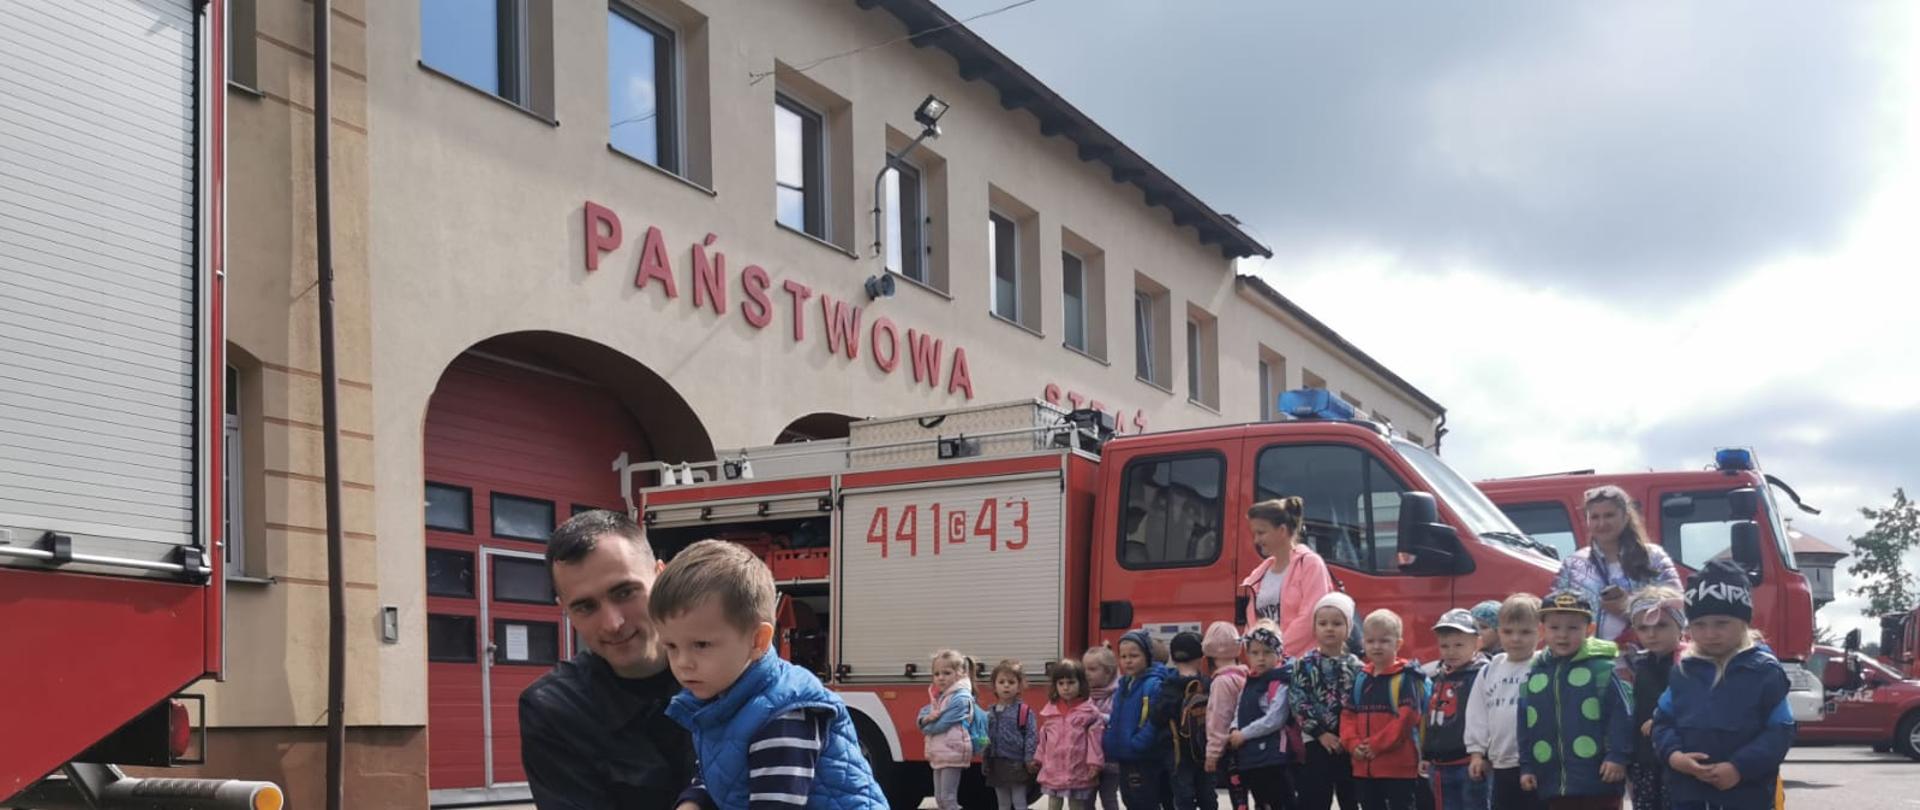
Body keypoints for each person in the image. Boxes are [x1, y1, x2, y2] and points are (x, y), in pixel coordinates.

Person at [649, 540, 887, 810]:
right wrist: (692, 802)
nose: (683, 663)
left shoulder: (781, 718)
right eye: (670, 646)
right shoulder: (723, 700)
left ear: (758, 641)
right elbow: (717, 772)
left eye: (701, 645)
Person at [519, 510, 697, 810]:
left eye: (625, 592)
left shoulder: (733, 675)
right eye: (586, 607)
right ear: (565, 610)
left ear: (662, 576)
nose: (612, 623)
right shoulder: (555, 709)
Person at [1652, 560, 1794, 810]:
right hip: (1688, 795)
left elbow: (1781, 731)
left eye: (1721, 623)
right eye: (1700, 625)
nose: (1710, 634)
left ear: (1743, 622)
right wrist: (1674, 757)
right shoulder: (1683, 671)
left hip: (1747, 796)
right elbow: (1662, 722)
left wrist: (1739, 768)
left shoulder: (1765, 671)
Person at [1516, 591, 1634, 810]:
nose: (1563, 635)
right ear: (1542, 630)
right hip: (1553, 782)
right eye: (1554, 628)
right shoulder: (1535, 674)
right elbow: (1524, 725)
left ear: (1588, 630)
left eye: (1573, 628)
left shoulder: (1601, 670)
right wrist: (1527, 766)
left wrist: (1618, 756)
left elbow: (1621, 716)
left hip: (1599, 779)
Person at [1550, 486, 1682, 643]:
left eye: (1609, 515)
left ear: (1626, 517)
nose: (1602, 523)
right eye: (1594, 517)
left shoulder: (1653, 557)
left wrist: (1629, 607)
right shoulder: (1573, 564)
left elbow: (1679, 608)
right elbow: (1555, 615)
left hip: (1645, 657)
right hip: (1591, 660)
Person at [1465, 594, 1544, 810]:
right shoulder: (1490, 669)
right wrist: (1476, 754)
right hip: (1500, 762)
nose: (1516, 639)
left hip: (1538, 763)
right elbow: (1477, 714)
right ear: (1499, 631)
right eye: (1508, 632)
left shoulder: (1543, 665)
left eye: (1525, 632)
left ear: (1541, 632)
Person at [1342, 609, 1427, 810]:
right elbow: (1348, 715)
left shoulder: (1407, 677)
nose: (1376, 646)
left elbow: (1407, 718)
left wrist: (1375, 745)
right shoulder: (1361, 678)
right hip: (1364, 767)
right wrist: (1353, 744)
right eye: (1371, 641)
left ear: (1398, 644)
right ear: (1363, 643)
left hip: (1399, 767)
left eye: (1384, 641)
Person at [1241, 497, 1337, 659]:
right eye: (1255, 534)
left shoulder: (1310, 564)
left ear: (1282, 530)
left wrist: (1274, 651)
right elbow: (1252, 622)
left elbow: (1310, 618)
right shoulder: (1260, 573)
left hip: (1302, 664)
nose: (1256, 540)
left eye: (1261, 532)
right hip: (1269, 665)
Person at [1293, 593, 1362, 810]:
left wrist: (1350, 737)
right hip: (1316, 741)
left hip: (1349, 743)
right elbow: (1298, 701)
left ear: (1348, 629)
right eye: (1323, 623)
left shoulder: (1357, 666)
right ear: (1314, 628)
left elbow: (1361, 704)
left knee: (1350, 797)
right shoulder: (1304, 664)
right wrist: (1320, 734)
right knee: (1315, 797)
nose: (1329, 628)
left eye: (1337, 623)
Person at [1620, 586, 1687, 810]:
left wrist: (1663, 718)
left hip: (1678, 756)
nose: (1652, 634)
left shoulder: (1689, 663)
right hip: (1643, 758)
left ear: (1679, 625)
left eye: (1661, 625)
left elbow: (1695, 704)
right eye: (1643, 628)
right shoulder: (1637, 664)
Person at [1225, 620, 1296, 809]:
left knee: (1280, 802)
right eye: (1254, 653)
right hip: (1251, 756)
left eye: (1267, 652)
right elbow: (1239, 709)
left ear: (1278, 653)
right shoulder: (1250, 680)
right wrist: (1233, 728)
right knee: (1261, 801)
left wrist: (1244, 733)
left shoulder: (1280, 681)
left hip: (1274, 758)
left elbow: (1275, 718)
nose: (1261, 658)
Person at [1423, 609, 1488, 810]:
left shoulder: (1482, 675)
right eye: (1445, 646)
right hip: (1439, 764)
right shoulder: (1436, 677)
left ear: (1477, 643)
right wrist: (1425, 754)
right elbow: (1428, 718)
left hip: (1469, 761)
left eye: (1459, 645)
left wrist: (1483, 755)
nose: (1451, 651)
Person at [1103, 629, 1173, 810]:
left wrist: (1138, 742)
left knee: (1144, 801)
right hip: (1125, 755)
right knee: (1130, 800)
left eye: (1134, 655)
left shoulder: (1153, 684)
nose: (1127, 660)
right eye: (1123, 656)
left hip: (1143, 757)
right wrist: (1111, 741)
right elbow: (1116, 716)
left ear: (1148, 656)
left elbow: (1154, 720)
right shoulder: (1124, 684)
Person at [1037, 659, 1107, 810]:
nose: (1066, 688)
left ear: (1081, 683)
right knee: (1053, 804)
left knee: (1076, 805)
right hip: (1054, 768)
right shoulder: (1051, 711)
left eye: (1071, 682)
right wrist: (1038, 758)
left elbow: (1095, 740)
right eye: (1061, 683)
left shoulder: (1089, 712)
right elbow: (1044, 738)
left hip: (1078, 768)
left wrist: (1094, 763)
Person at [1159, 631, 1217, 810]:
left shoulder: (1168, 685)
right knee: (1207, 795)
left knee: (1183, 797)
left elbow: (1158, 716)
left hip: (1177, 754)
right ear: (1201, 658)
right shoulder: (1207, 684)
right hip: (1204, 750)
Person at [1202, 621, 1253, 810]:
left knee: (1239, 800)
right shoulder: (1246, 675)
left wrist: (1212, 754)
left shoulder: (1221, 682)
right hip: (1250, 746)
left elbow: (1219, 719)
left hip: (1233, 753)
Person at [919, 649, 979, 810]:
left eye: (946, 673)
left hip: (953, 751)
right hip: (940, 752)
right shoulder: (941, 695)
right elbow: (923, 714)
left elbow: (942, 724)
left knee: (948, 799)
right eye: (936, 673)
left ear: (960, 673)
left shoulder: (961, 698)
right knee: (940, 799)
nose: (940, 677)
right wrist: (924, 720)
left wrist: (925, 726)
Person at [985, 660, 1041, 810]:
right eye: (1001, 682)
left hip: (1017, 764)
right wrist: (985, 760)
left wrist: (1029, 758)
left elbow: (1031, 736)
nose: (1006, 685)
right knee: (1002, 803)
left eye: (1011, 682)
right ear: (994, 686)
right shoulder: (990, 712)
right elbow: (986, 739)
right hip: (997, 764)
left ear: (1019, 686)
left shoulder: (1024, 711)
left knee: (1019, 801)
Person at [1084, 645, 1125, 810]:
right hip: (1086, 758)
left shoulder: (1119, 693)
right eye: (1085, 668)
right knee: (1086, 799)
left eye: (1093, 669)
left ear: (1108, 672)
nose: (1087, 673)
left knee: (1108, 797)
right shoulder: (1083, 693)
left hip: (1110, 757)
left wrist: (1099, 717)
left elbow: (1119, 719)